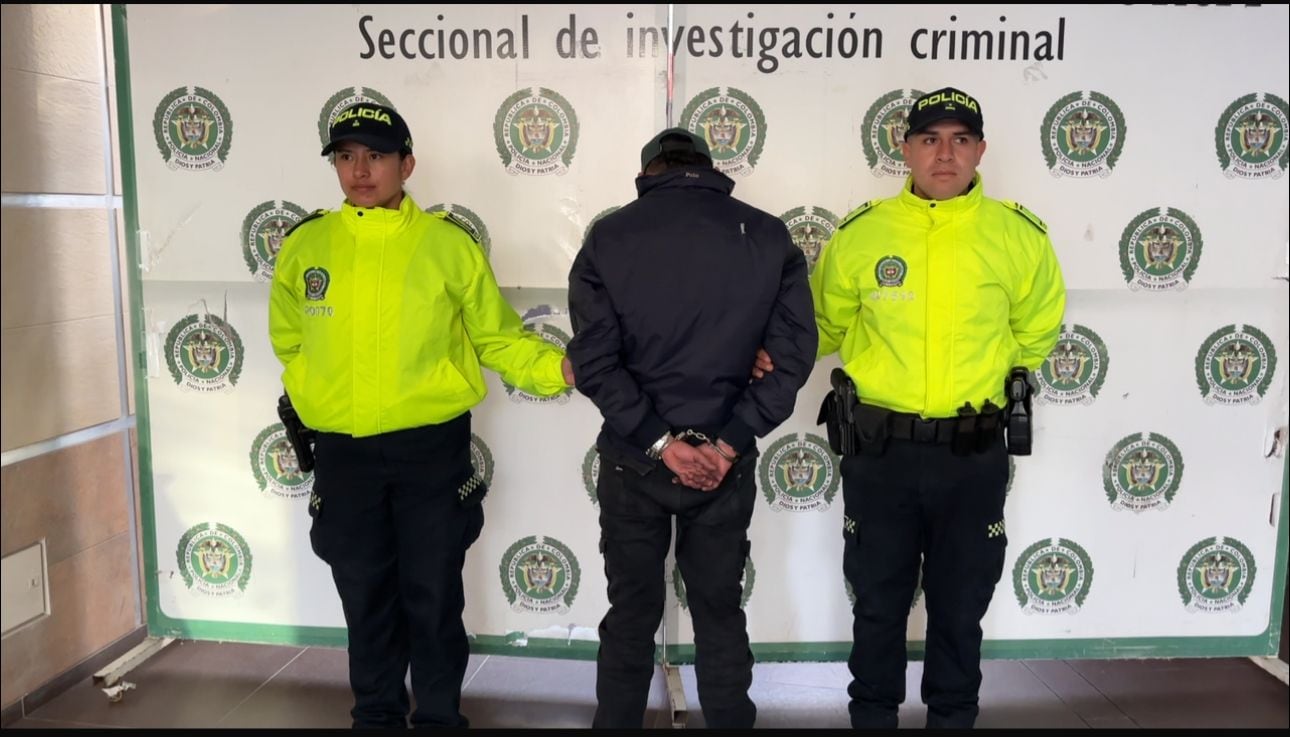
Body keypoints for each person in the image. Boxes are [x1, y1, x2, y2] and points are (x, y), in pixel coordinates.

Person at [268, 102, 574, 728]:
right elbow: (289, 342)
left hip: (430, 454)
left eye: (375, 156)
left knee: (433, 598)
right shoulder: (306, 246)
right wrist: (319, 399)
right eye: (346, 156)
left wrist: (561, 369)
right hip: (344, 455)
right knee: (364, 597)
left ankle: (438, 718)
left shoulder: (447, 247)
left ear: (407, 164)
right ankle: (375, 717)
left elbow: (497, 340)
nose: (360, 170)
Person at [807, 86, 1066, 728]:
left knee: (959, 608)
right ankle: (872, 718)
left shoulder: (1018, 236)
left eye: (959, 140)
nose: (943, 153)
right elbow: (822, 327)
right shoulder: (863, 234)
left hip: (973, 454)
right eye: (929, 139)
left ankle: (953, 720)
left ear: (980, 150)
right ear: (905, 150)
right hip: (880, 453)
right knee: (877, 605)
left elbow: (1037, 332)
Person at [566, 128, 818, 728]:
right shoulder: (766, 235)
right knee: (719, 611)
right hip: (722, 466)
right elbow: (792, 360)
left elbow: (593, 362)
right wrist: (728, 441)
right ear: (709, 170)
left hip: (635, 460)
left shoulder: (610, 235)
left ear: (648, 172)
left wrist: (659, 442)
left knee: (630, 613)